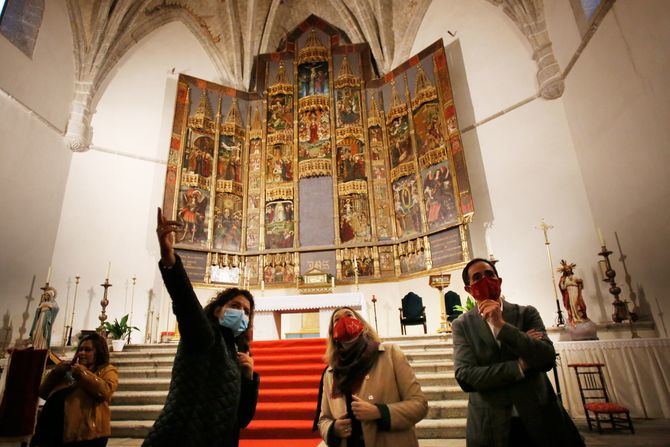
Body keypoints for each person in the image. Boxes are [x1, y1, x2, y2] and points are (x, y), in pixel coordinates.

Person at [143, 207, 259, 447]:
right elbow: (185, 301)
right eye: (236, 306)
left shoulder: (238, 352)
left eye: (247, 311)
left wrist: (248, 377)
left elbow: (243, 419)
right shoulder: (205, 335)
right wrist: (169, 258)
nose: (242, 313)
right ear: (218, 309)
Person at [452, 258, 584, 447]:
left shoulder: (527, 314)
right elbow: (465, 377)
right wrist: (520, 365)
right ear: (469, 289)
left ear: (499, 280)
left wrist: (501, 325)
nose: (485, 280)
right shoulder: (462, 325)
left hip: (538, 417)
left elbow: (546, 358)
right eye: (477, 277)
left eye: (490, 275)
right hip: (490, 423)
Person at [317, 306, 428, 447]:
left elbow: (419, 405)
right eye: (336, 320)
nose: (344, 321)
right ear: (333, 335)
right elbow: (324, 419)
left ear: (362, 325)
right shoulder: (331, 373)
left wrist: (379, 412)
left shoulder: (390, 354)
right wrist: (333, 429)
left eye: (349, 315)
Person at [31, 333, 118, 447]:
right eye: (80, 349)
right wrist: (56, 373)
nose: (82, 353)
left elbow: (105, 391)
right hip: (54, 432)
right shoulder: (70, 370)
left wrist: (82, 373)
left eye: (87, 350)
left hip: (87, 435)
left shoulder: (107, 370)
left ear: (99, 352)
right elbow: (43, 393)